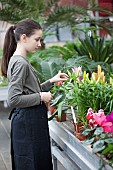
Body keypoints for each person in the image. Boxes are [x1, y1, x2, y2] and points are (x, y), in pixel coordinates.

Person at [1, 19, 68, 170]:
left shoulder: (19, 60)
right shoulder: (20, 63)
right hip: (28, 123)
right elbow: (13, 99)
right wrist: (41, 97)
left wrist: (51, 81)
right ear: (24, 37)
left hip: (30, 122)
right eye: (36, 39)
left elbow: (29, 90)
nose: (39, 44)